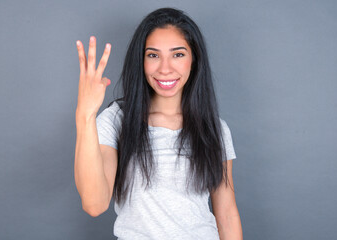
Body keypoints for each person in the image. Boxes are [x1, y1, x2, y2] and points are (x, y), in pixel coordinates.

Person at [74, 7, 243, 240]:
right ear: (141, 61)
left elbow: (226, 213)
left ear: (194, 60)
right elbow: (95, 204)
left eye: (178, 54)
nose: (165, 68)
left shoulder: (214, 128)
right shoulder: (116, 121)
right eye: (153, 55)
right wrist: (85, 115)